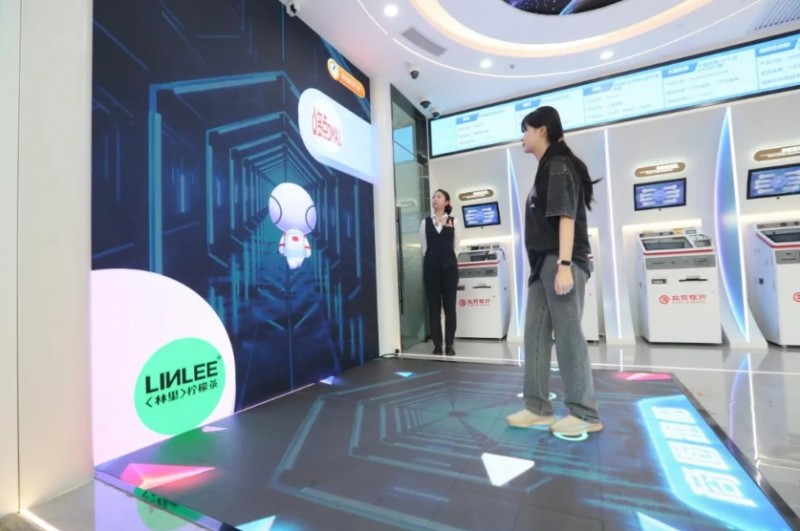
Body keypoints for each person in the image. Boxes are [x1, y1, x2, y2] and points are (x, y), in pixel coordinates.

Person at [506, 106, 603, 437]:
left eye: (526, 129)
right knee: (534, 334)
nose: (522, 137)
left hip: (561, 261)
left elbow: (566, 216)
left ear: (542, 130)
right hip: (542, 265)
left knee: (567, 334)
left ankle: (584, 412)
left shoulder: (558, 165)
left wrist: (563, 265)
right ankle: (537, 408)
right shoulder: (546, 168)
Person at [420, 189, 460, 355]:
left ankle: (449, 344)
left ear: (446, 202)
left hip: (450, 269)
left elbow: (457, 246)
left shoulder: (453, 221)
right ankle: (437, 344)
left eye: (439, 197)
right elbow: (424, 247)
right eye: (433, 197)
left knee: (450, 307)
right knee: (433, 307)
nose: (435, 199)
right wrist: (433, 259)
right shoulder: (425, 223)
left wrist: (447, 259)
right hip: (431, 269)